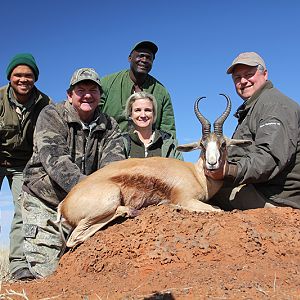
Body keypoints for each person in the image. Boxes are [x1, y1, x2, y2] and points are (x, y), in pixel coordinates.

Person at [21, 68, 126, 278]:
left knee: (92, 271)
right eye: (81, 90)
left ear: (100, 96)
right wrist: (91, 193)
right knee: (49, 275)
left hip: (86, 206)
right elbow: (56, 161)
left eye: (93, 90)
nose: (87, 94)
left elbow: (113, 169)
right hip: (46, 201)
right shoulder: (51, 114)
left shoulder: (111, 126)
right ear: (70, 95)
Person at [206, 52, 300, 210]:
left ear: (265, 74)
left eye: (249, 74)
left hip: (275, 197)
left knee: (201, 195)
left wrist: (228, 170)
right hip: (262, 189)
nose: (243, 81)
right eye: (237, 78)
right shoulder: (255, 107)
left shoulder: (274, 105)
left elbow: (269, 157)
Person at [0, 53, 51, 280]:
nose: (23, 79)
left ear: (35, 78)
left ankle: (19, 266)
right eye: (17, 75)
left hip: (23, 164)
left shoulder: (45, 103)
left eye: (28, 75)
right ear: (10, 77)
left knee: (22, 211)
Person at [100, 40, 176, 136]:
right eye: (140, 56)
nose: (144, 60)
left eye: (149, 58)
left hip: (147, 148)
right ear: (130, 58)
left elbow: (168, 129)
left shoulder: (162, 92)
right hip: (109, 145)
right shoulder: (106, 83)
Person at [123, 91, 183, 160]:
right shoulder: (121, 142)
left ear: (154, 114)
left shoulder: (169, 143)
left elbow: (179, 168)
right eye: (138, 110)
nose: (143, 115)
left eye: (147, 110)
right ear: (130, 114)